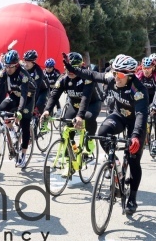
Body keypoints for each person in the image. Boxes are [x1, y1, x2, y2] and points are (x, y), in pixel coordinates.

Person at [62, 53, 147, 214]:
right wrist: (71, 68)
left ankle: (132, 199)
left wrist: (135, 136)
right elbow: (92, 74)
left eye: (120, 74)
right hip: (120, 116)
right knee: (102, 132)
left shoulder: (138, 90)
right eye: (114, 73)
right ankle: (113, 162)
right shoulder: (112, 78)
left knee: (134, 160)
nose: (116, 77)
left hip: (135, 122)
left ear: (129, 76)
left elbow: (142, 116)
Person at [41, 52, 102, 153]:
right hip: (74, 105)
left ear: (80, 67)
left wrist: (79, 116)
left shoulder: (87, 77)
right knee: (66, 127)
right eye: (67, 67)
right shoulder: (63, 79)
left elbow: (85, 98)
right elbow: (54, 96)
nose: (70, 71)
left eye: (73, 68)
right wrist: (47, 110)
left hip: (91, 104)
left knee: (88, 118)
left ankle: (90, 139)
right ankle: (69, 154)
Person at [0, 49, 37, 169]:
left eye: (11, 67)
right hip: (14, 95)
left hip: (27, 98)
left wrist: (20, 111)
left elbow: (23, 95)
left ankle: (23, 155)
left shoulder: (23, 74)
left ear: (16, 65)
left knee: (25, 124)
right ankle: (11, 131)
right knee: (2, 109)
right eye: (6, 66)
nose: (8, 69)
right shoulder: (3, 72)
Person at [22, 50, 49, 115]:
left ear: (34, 62)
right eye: (25, 61)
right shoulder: (23, 68)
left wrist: (32, 104)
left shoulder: (38, 71)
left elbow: (37, 88)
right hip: (30, 90)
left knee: (38, 104)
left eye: (28, 61)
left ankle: (44, 118)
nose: (26, 63)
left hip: (42, 90)